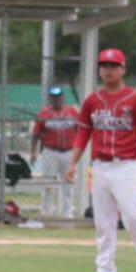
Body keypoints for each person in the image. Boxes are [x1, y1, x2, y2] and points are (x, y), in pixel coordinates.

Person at [65, 49, 136, 272]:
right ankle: (105, 271)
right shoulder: (92, 101)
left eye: (113, 65)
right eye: (104, 65)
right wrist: (72, 163)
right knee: (103, 221)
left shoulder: (135, 100)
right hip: (100, 166)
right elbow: (83, 134)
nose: (108, 70)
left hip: (128, 166)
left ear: (123, 69)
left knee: (134, 216)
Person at [30, 86, 79, 219]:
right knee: (48, 182)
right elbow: (35, 135)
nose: (56, 100)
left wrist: (78, 151)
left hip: (68, 152)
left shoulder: (72, 112)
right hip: (50, 151)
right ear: (50, 99)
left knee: (68, 182)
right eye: (54, 97)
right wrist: (33, 152)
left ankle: (67, 212)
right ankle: (47, 211)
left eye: (58, 97)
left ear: (63, 97)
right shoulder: (44, 114)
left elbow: (80, 131)